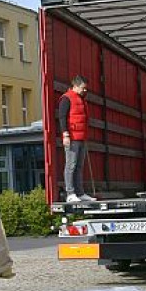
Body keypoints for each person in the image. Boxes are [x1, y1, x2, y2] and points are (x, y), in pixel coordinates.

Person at [56, 75, 94, 203]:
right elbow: (62, 117)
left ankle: (80, 193)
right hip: (72, 137)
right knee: (70, 165)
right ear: (76, 86)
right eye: (83, 88)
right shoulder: (67, 98)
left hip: (81, 137)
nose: (85, 90)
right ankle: (70, 193)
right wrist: (65, 134)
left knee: (79, 166)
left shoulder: (81, 99)